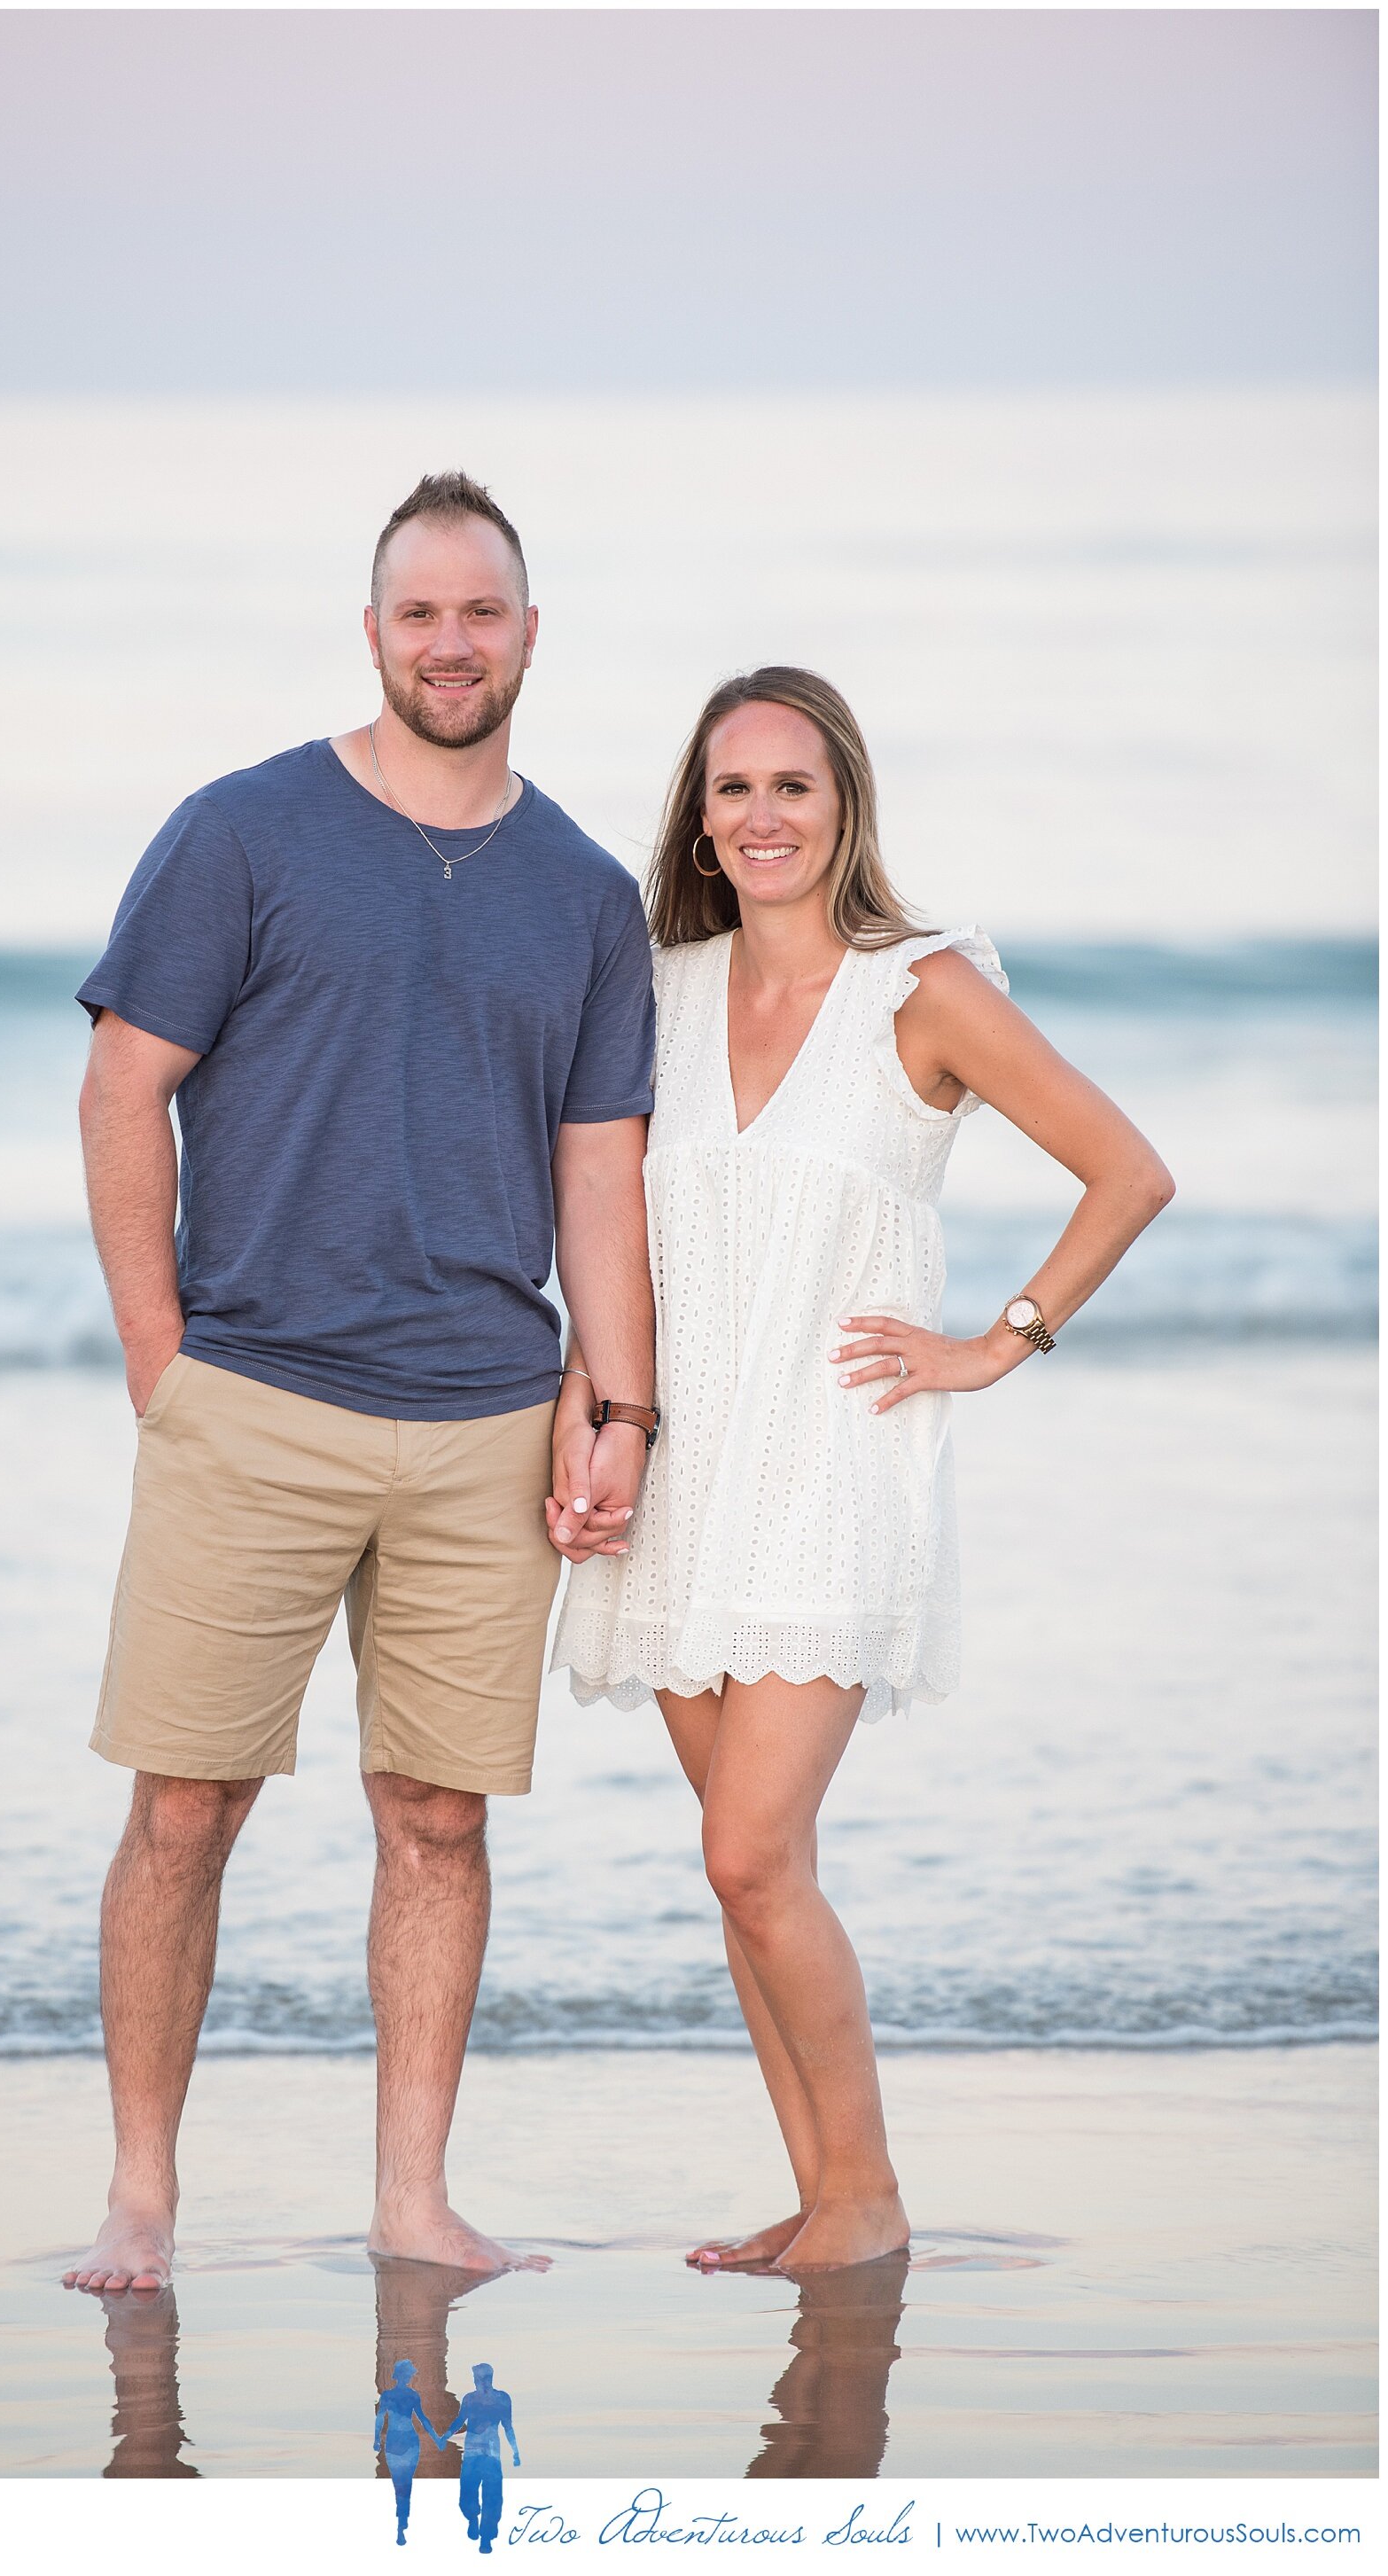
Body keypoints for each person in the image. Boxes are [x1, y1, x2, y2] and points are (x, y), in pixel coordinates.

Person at [61, 472, 657, 2295]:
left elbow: (598, 1168)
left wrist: (612, 1402)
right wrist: (165, 1362)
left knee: (439, 1815)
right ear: (375, 629)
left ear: (530, 636)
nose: (452, 642)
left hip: (487, 1413)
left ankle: (412, 2198)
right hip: (254, 1399)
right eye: (421, 613)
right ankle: (143, 2198)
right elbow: (119, 1089)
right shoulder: (240, 833)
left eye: (483, 612)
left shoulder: (583, 892)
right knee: (185, 1803)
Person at [550, 667, 1174, 2274]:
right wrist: (592, 1411)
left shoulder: (925, 989)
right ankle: (828, 2198)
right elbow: (616, 1237)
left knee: (749, 1853)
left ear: (846, 811)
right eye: (734, 787)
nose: (761, 816)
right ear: (700, 812)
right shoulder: (659, 989)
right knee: (757, 1877)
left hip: (833, 1465)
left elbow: (1129, 1170)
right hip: (680, 1475)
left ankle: (870, 2198)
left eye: (793, 787)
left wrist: (998, 1339)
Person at [440, 2363, 520, 2553]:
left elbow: (508, 2427)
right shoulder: (470, 2399)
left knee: (492, 2497)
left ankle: (486, 2538)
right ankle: (473, 2518)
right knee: (469, 2493)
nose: (477, 2382)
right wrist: (445, 2435)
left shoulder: (502, 2399)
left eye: (479, 2378)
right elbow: (460, 2421)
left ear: (485, 2379)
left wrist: (515, 2451)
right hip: (474, 2453)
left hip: (490, 2454)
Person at [374, 2358, 445, 2545]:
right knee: (406, 2484)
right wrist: (436, 2439)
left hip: (395, 2441)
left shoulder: (388, 2396)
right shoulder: (412, 2395)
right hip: (408, 2441)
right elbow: (423, 2420)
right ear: (406, 2376)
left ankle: (401, 2522)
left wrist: (376, 2440)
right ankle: (402, 2522)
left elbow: (380, 2419)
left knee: (399, 2484)